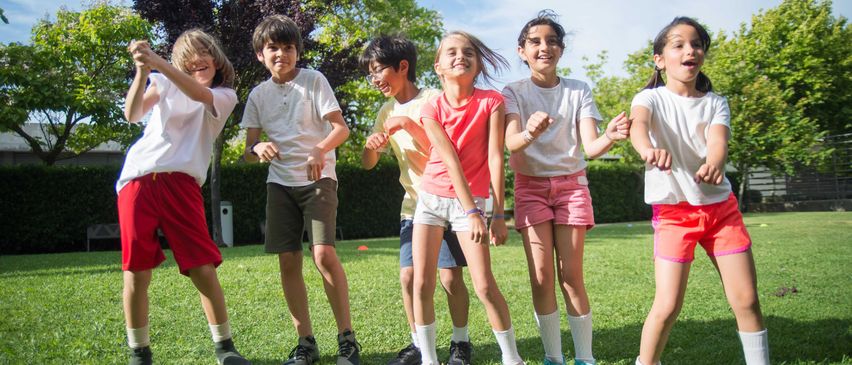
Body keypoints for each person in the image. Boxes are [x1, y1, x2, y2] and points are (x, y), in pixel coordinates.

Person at [629, 16, 769, 365]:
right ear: (660, 60)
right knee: (667, 306)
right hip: (674, 214)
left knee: (747, 300)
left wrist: (715, 162)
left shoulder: (716, 102)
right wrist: (648, 150)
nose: (690, 50)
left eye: (696, 44)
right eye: (678, 45)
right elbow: (638, 126)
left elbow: (718, 142)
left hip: (721, 212)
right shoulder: (649, 98)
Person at [502, 10, 630, 365]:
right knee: (542, 277)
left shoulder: (578, 89)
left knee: (571, 275)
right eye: (535, 42)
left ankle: (584, 358)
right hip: (530, 188)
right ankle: (553, 357)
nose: (544, 47)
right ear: (522, 50)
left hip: (572, 188)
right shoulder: (513, 92)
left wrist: (611, 135)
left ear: (561, 49)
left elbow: (591, 147)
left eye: (552, 41)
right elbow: (511, 142)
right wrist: (530, 131)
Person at [118, 30, 249, 365]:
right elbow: (132, 114)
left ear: (216, 58)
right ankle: (139, 353)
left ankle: (225, 348)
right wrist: (143, 72)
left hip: (182, 184)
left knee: (202, 267)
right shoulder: (163, 83)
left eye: (203, 52)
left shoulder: (224, 95)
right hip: (138, 181)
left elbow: (198, 93)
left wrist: (158, 62)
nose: (197, 61)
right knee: (136, 271)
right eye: (188, 57)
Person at [240, 14, 359, 365]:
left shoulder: (314, 80)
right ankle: (305, 343)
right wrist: (258, 148)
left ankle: (347, 340)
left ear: (297, 51)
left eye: (288, 47)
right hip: (279, 183)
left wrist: (320, 149)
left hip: (318, 179)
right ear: (260, 55)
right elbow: (248, 151)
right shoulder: (258, 95)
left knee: (323, 255)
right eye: (273, 48)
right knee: (288, 259)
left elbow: (341, 129)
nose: (282, 54)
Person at [359, 35, 472, 365]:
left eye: (378, 70)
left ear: (403, 66)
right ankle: (419, 344)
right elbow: (368, 164)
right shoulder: (385, 110)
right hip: (413, 206)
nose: (374, 79)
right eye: (370, 73)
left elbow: (446, 152)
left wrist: (409, 124)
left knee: (449, 277)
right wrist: (371, 146)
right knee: (408, 277)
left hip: (446, 202)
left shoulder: (435, 99)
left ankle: (461, 343)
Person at [413, 30, 524, 365]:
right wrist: (473, 212)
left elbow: (495, 157)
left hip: (472, 202)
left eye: (468, 52)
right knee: (422, 283)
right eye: (451, 52)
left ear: (478, 65)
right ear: (438, 67)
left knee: (484, 285)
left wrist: (497, 214)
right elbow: (450, 161)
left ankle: (512, 358)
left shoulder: (492, 102)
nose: (460, 56)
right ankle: (429, 360)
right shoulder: (430, 108)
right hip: (432, 199)